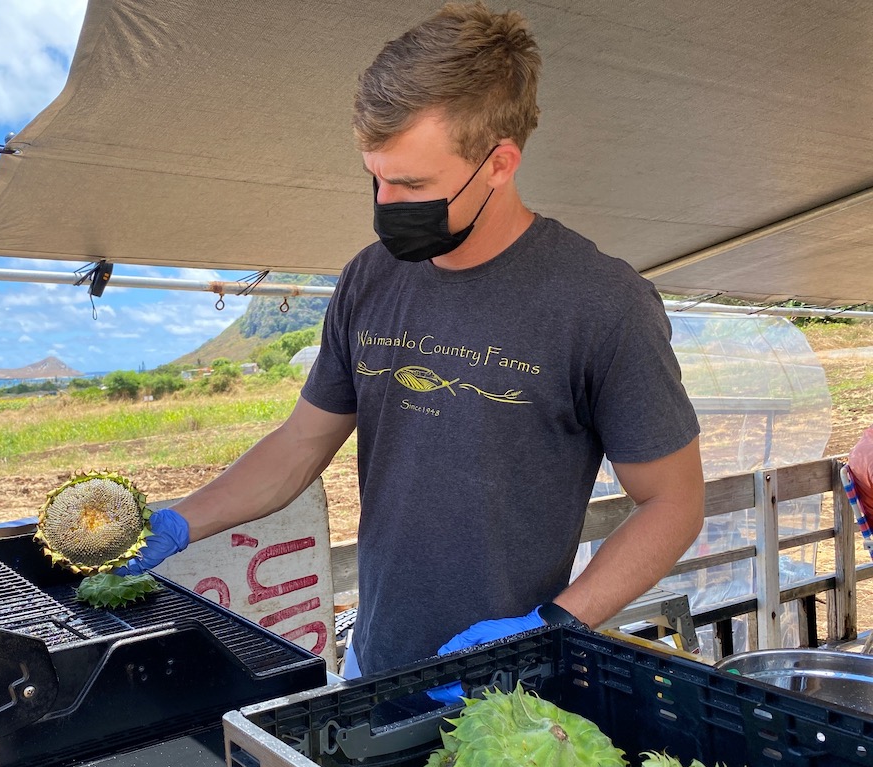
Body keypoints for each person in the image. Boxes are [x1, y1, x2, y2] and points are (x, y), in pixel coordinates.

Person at [125, 1, 705, 681]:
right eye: (375, 175)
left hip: (509, 686)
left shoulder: (601, 302)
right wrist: (178, 523)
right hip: (373, 660)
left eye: (412, 183)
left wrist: (547, 629)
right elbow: (300, 444)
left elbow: (674, 503)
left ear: (499, 163)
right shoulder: (368, 280)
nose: (386, 202)